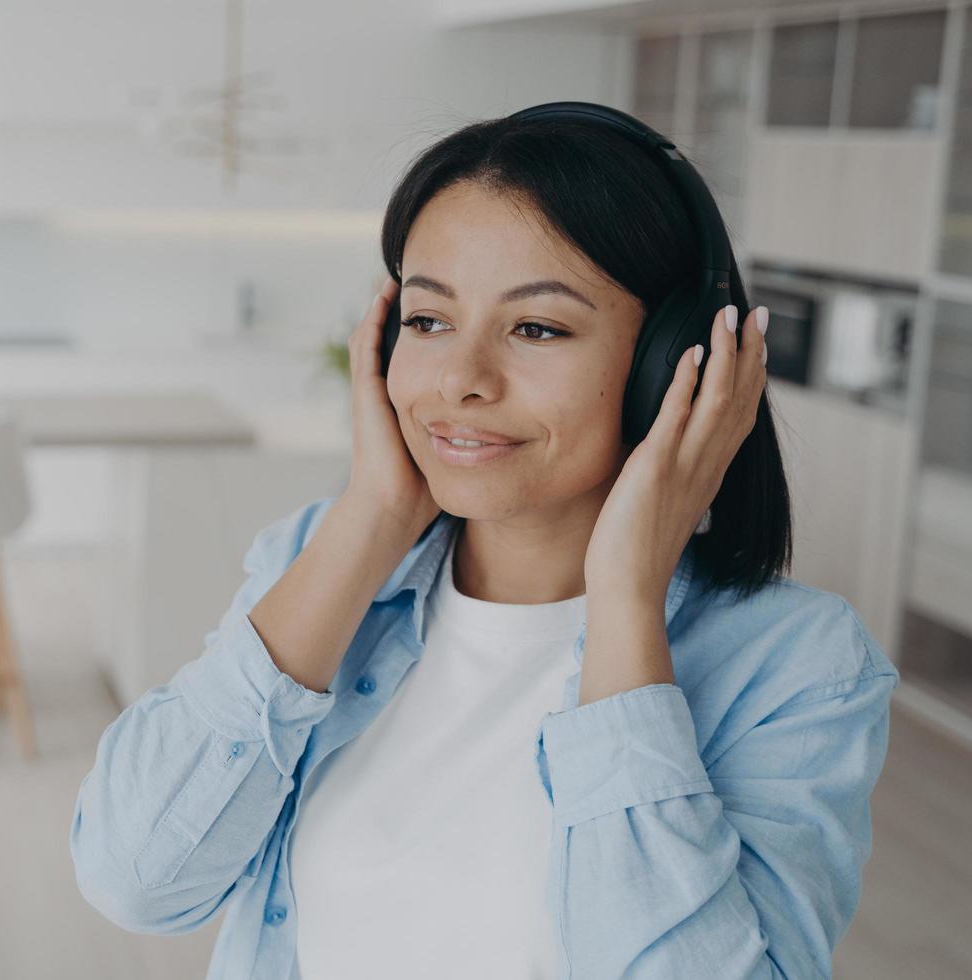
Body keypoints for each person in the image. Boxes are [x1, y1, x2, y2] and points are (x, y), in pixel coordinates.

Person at [70, 110, 897, 980]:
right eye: (427, 321)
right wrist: (372, 515)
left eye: (536, 328)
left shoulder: (800, 666)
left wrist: (625, 601)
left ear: (672, 363)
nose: (461, 381)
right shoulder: (315, 558)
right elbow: (135, 882)